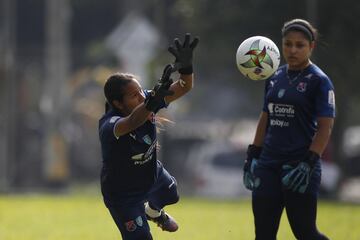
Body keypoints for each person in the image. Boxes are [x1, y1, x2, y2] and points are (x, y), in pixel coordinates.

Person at [98, 33, 199, 240]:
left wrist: (186, 67)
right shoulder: (110, 125)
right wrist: (151, 103)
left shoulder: (146, 99)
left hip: (151, 175)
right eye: (134, 95)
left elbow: (184, 86)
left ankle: (153, 212)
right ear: (118, 104)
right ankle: (145, 213)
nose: (141, 96)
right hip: (123, 196)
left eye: (141, 91)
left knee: (172, 195)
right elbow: (134, 121)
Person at [243, 19, 335, 240]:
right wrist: (252, 155)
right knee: (263, 235)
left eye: (300, 45)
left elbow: (326, 127)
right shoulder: (274, 76)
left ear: (311, 47)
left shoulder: (320, 81)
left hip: (298, 167)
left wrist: (309, 162)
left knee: (305, 233)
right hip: (268, 165)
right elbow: (265, 117)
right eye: (288, 44)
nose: (292, 50)